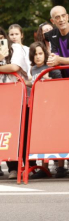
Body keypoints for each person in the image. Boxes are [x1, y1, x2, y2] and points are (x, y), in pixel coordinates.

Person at [26, 42, 66, 179]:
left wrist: (49, 81)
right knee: (44, 136)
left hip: (53, 105)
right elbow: (34, 84)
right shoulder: (32, 70)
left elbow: (60, 83)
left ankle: (61, 167)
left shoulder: (51, 68)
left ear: (45, 54)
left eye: (40, 53)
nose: (38, 57)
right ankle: (44, 167)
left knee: (58, 135)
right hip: (39, 106)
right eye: (35, 54)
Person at [0, 25, 35, 179]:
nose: (13, 37)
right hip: (5, 95)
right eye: (11, 34)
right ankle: (12, 167)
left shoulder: (18, 49)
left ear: (21, 34)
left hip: (19, 93)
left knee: (23, 129)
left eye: (16, 34)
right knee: (8, 130)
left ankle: (29, 164)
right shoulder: (6, 50)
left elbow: (14, 67)